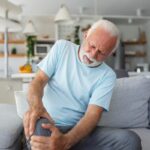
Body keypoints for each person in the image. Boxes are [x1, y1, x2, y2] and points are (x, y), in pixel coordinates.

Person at [23, 19, 142, 150]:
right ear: (85, 35)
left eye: (101, 53)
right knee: (42, 133)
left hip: (78, 132)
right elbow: (38, 81)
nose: (93, 55)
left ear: (109, 54)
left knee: (130, 140)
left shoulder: (107, 76)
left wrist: (65, 141)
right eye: (92, 46)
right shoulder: (62, 48)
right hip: (48, 123)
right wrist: (37, 107)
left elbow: (92, 115)